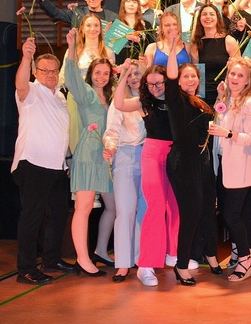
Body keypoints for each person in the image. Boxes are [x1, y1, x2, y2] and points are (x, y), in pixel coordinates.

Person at [12, 38, 72, 285]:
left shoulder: (60, 96)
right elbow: (20, 83)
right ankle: (25, 269)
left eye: (54, 71)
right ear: (36, 73)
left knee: (57, 215)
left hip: (57, 167)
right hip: (34, 163)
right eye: (45, 70)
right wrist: (26, 56)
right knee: (32, 217)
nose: (50, 74)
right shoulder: (31, 91)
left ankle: (51, 258)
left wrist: (65, 163)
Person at [114, 63, 177, 287]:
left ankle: (172, 253)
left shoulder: (175, 99)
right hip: (152, 154)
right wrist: (123, 76)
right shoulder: (144, 102)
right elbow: (119, 103)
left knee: (175, 206)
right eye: (150, 84)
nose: (155, 87)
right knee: (156, 207)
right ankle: (145, 265)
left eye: (159, 83)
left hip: (175, 154)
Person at [63, 29, 113, 278]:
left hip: (105, 157)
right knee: (83, 207)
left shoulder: (111, 97)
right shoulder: (86, 93)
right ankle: (82, 258)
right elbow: (71, 79)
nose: (102, 76)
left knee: (112, 206)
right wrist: (72, 47)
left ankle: (101, 251)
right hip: (88, 153)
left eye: (106, 73)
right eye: (97, 72)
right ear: (91, 74)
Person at [164, 49, 214, 286]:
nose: (191, 80)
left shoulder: (200, 102)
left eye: (194, 77)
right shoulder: (176, 99)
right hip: (183, 163)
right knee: (190, 215)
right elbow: (170, 80)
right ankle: (181, 265)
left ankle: (208, 255)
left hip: (201, 163)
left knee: (204, 212)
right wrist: (173, 51)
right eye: (186, 77)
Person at [209, 58, 251, 282]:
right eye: (232, 74)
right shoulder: (227, 99)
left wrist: (228, 134)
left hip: (239, 168)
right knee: (230, 215)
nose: (235, 79)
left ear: (248, 80)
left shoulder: (250, 103)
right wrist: (220, 99)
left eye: (240, 76)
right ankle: (238, 252)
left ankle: (246, 260)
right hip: (222, 165)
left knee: (232, 216)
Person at [102, 61, 146, 282]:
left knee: (144, 212)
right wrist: (110, 147)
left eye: (137, 73)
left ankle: (142, 259)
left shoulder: (152, 100)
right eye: (129, 74)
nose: (133, 78)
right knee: (125, 212)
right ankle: (122, 263)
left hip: (149, 158)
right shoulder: (119, 103)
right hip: (126, 156)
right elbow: (110, 131)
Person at [189, 4, 240, 106]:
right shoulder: (196, 45)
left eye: (211, 14)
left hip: (226, 94)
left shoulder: (229, 40)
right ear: (200, 19)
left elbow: (239, 72)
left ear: (218, 18)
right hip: (204, 97)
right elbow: (196, 74)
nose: (208, 17)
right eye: (204, 14)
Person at [112, 0, 150, 64]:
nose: (131, 4)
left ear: (138, 6)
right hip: (119, 65)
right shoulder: (115, 25)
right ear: (123, 4)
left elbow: (149, 47)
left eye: (135, 2)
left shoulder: (146, 25)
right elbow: (110, 48)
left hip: (139, 66)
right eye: (128, 1)